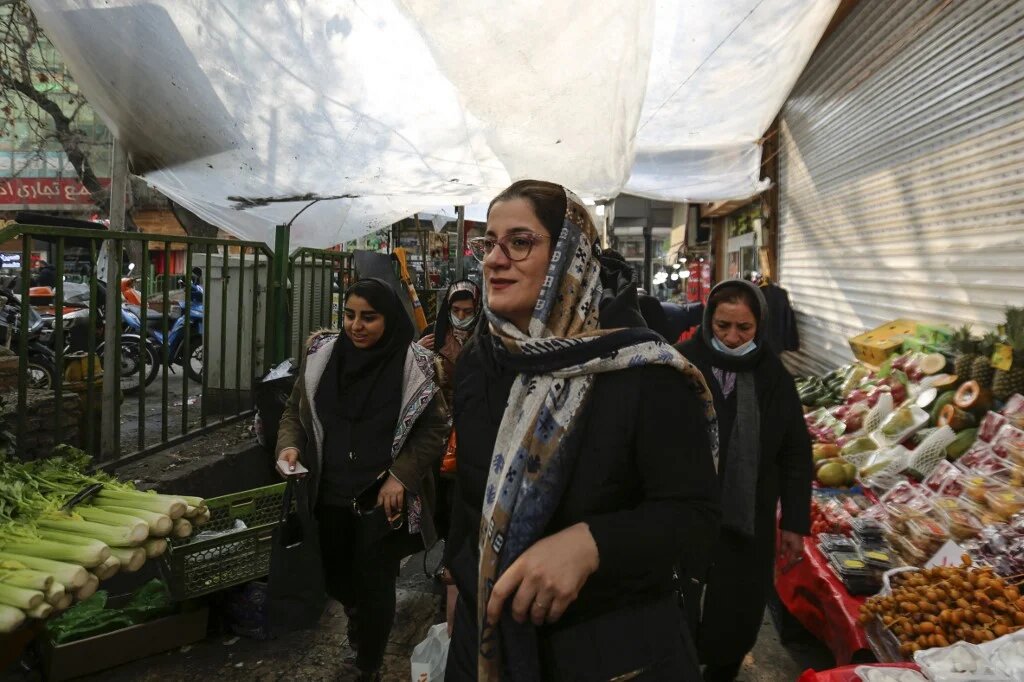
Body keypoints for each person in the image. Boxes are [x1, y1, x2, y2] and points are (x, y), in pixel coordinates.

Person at [443, 179, 720, 681]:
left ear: (570, 258)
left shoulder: (641, 371)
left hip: (612, 648)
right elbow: (470, 496)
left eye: (520, 241)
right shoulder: (480, 363)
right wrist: (458, 582)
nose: (493, 260)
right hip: (487, 636)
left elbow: (693, 514)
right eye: (488, 242)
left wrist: (594, 543)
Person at [275, 278, 449, 682]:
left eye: (369, 318)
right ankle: (356, 614)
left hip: (381, 499)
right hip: (329, 491)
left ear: (388, 320)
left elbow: (434, 429)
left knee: (375, 581)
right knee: (335, 574)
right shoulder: (322, 358)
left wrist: (400, 477)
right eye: (350, 315)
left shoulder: (415, 367)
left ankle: (368, 663)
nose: (356, 325)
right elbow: (293, 413)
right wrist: (289, 448)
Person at [675, 279, 813, 682]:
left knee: (736, 610)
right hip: (685, 511)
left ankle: (722, 669)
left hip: (747, 516)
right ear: (707, 321)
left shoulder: (773, 376)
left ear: (760, 326)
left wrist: (794, 523)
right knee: (676, 599)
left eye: (744, 328)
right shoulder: (680, 365)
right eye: (723, 326)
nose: (733, 338)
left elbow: (795, 452)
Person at [418, 279, 482, 397]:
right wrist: (417, 351)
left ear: (477, 310)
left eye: (468, 311)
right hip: (442, 407)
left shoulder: (486, 335)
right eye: (455, 310)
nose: (460, 316)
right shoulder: (434, 333)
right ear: (448, 308)